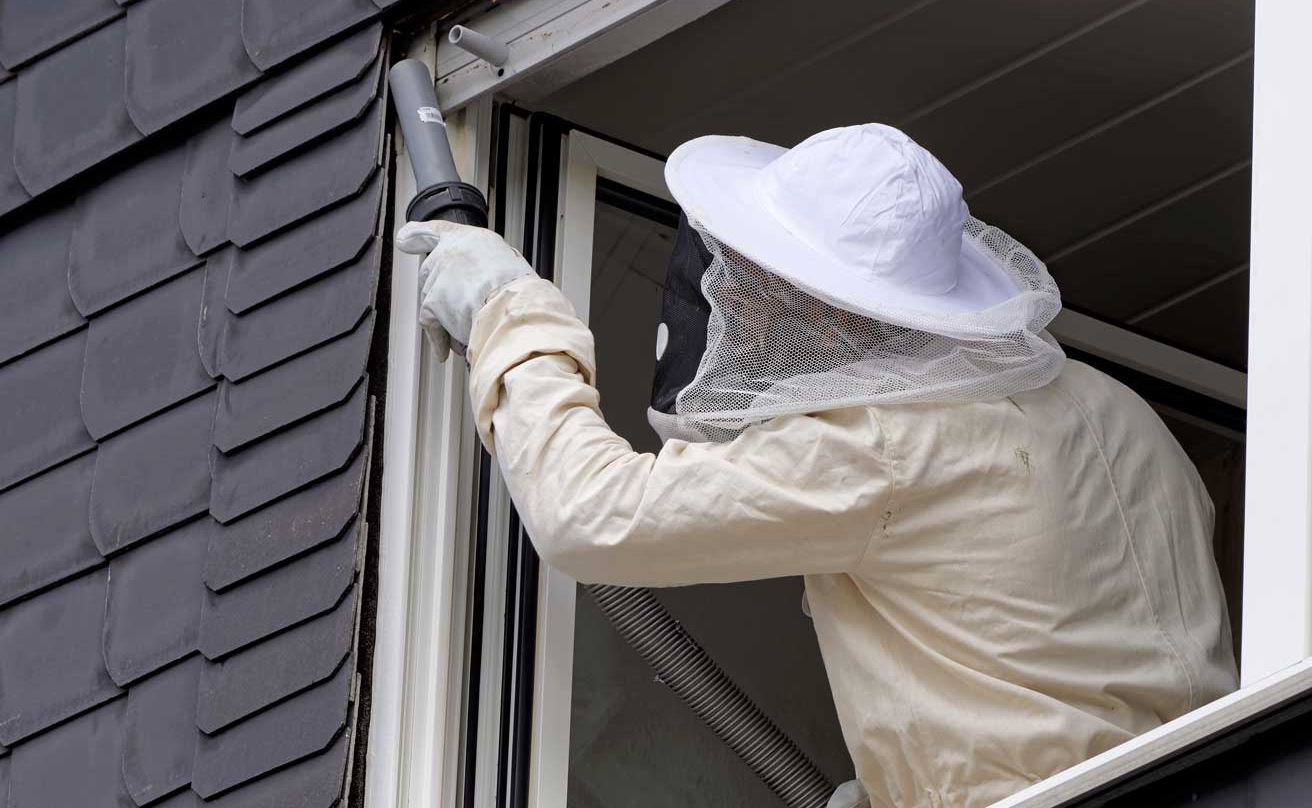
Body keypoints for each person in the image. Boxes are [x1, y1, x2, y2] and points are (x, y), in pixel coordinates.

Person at [396, 124, 1237, 808]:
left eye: (768, 289)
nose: (745, 312)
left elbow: (591, 514)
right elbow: (1052, 676)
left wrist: (507, 311)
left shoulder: (887, 442)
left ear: (834, 320)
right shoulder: (1117, 411)